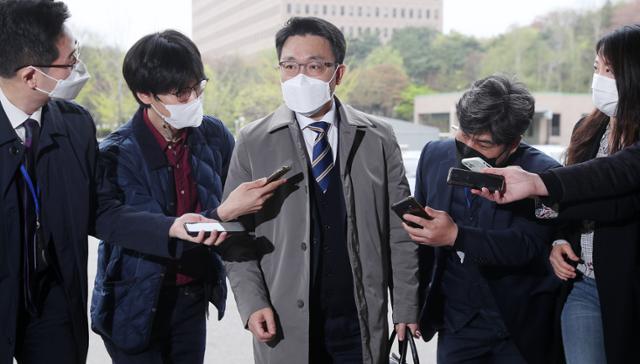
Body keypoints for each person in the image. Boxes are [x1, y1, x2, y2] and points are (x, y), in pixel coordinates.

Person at [0, 1, 218, 363]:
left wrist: (170, 228)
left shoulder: (75, 125)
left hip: (53, 301)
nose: (77, 68)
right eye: (69, 62)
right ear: (30, 76)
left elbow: (100, 211)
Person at [220, 17, 419, 364]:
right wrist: (252, 303)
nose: (299, 76)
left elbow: (402, 231)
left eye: (314, 66)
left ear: (337, 74)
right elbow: (236, 232)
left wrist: (405, 305)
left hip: (359, 319)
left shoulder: (378, 138)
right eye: (290, 65)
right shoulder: (253, 141)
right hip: (284, 321)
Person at [90, 30, 286, 363]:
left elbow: (240, 219)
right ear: (144, 94)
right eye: (181, 93)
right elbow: (142, 229)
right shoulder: (117, 154)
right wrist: (223, 212)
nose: (193, 98)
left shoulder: (213, 136)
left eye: (198, 87)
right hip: (132, 302)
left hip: (192, 296)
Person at [487, 25, 640, 364]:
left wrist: (539, 183)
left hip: (628, 291)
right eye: (596, 68)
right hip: (584, 284)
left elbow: (614, 181)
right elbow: (576, 197)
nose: (599, 79)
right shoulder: (589, 126)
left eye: (609, 70)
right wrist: (558, 241)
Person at [402, 75, 561, 364]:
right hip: (456, 322)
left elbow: (529, 246)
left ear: (513, 144)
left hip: (518, 327)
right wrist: (408, 305)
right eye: (463, 134)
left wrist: (455, 236)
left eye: (484, 143)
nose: (468, 146)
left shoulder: (543, 174)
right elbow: (420, 244)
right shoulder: (433, 155)